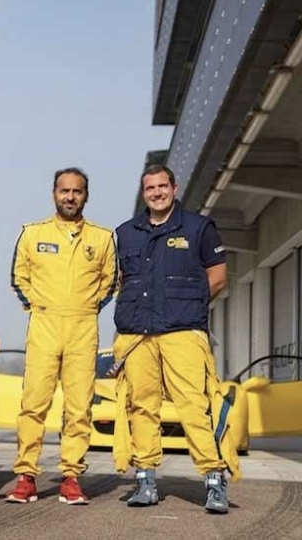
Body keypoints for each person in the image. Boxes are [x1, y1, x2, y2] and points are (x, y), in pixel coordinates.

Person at [112, 163, 236, 513]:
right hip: (138, 336)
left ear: (174, 187)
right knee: (141, 406)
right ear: (144, 191)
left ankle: (214, 480)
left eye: (162, 187)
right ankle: (145, 481)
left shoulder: (199, 228)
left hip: (182, 332)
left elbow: (218, 277)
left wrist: (185, 308)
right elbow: (120, 280)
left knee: (194, 406)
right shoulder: (125, 233)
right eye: (150, 188)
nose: (157, 193)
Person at [8, 167, 117, 505]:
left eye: (77, 191)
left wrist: (86, 307)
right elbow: (18, 276)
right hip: (44, 324)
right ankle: (26, 476)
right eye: (64, 191)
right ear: (54, 193)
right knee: (33, 403)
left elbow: (110, 280)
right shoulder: (32, 233)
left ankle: (71, 477)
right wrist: (38, 306)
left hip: (83, 327)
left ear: (86, 195)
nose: (70, 197)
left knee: (79, 406)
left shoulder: (102, 237)